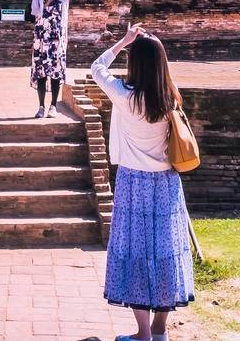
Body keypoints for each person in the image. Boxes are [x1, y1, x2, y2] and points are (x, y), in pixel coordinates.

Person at [90, 24, 195, 340]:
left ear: (134, 64)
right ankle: (160, 330)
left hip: (133, 182)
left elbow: (96, 68)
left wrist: (124, 41)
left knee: (134, 251)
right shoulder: (169, 100)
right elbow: (161, 77)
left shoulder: (125, 97)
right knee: (165, 251)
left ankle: (143, 333)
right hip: (165, 182)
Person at [0, 0, 70, 118]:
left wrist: (64, 40)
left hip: (57, 38)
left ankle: (53, 106)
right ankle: (41, 107)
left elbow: (65, 20)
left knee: (56, 73)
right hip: (41, 37)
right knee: (41, 72)